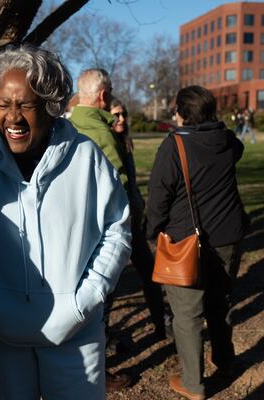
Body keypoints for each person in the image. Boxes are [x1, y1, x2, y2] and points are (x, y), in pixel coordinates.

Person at [0, 45, 131, 400]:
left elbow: (117, 230)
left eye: (26, 105)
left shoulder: (85, 158)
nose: (13, 117)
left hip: (73, 336)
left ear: (49, 105)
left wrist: (86, 298)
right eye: (3, 104)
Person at [146, 85, 249, 400]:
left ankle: (193, 384)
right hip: (229, 235)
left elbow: (158, 198)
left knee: (188, 314)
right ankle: (225, 361)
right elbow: (238, 150)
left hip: (186, 241)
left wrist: (152, 233)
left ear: (181, 113)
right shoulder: (227, 140)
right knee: (220, 304)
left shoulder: (174, 146)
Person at [69, 72, 167, 341]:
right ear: (103, 95)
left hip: (81, 224)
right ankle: (101, 344)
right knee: (106, 284)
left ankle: (159, 322)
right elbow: (118, 186)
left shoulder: (67, 127)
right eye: (110, 91)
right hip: (112, 227)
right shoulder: (101, 133)